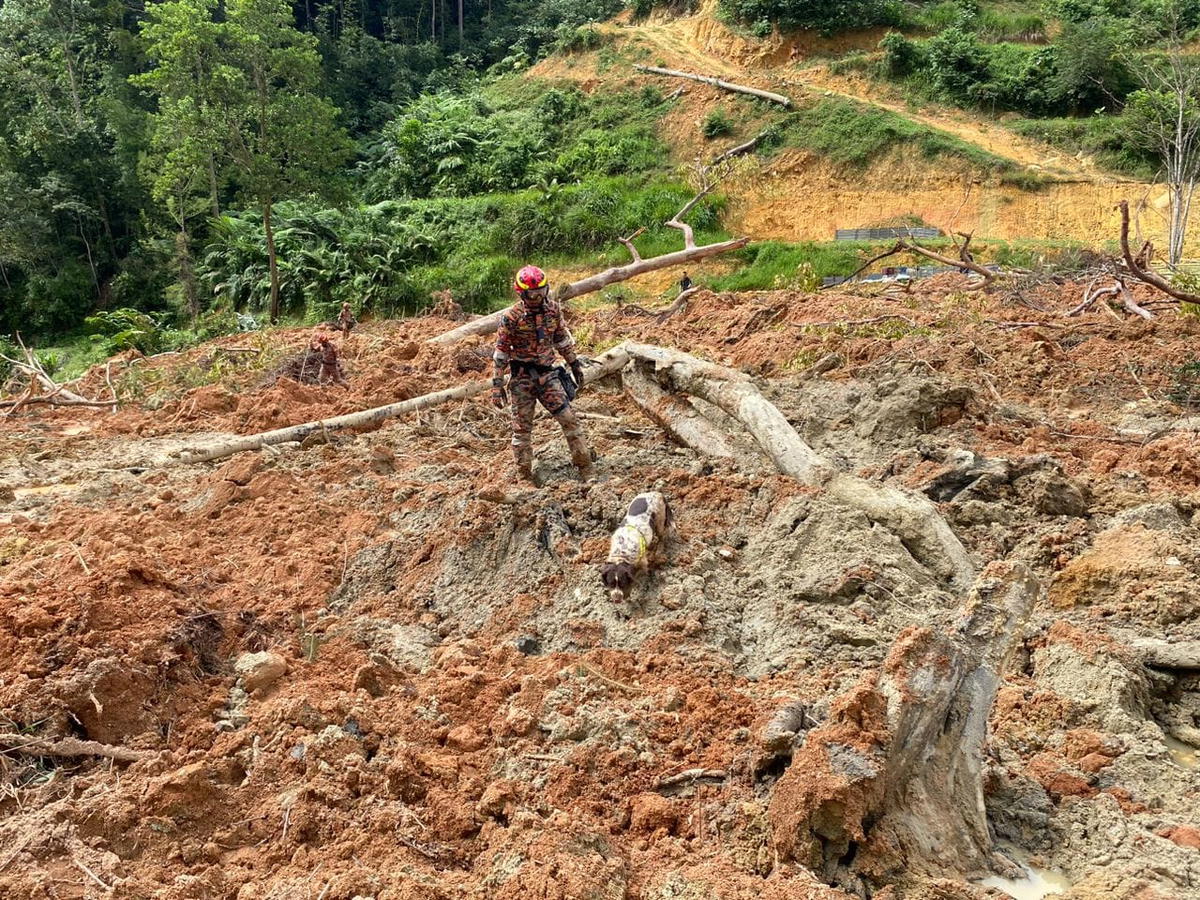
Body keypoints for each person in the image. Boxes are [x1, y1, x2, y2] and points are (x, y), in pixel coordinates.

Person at [492, 265, 593, 482]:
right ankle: (524, 476)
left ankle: (585, 467)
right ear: (521, 293)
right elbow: (501, 352)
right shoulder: (511, 317)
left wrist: (574, 364)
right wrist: (497, 385)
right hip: (522, 379)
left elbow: (561, 339)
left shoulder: (553, 310)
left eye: (542, 291)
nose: (538, 297)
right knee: (521, 431)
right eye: (532, 293)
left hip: (548, 376)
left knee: (569, 419)